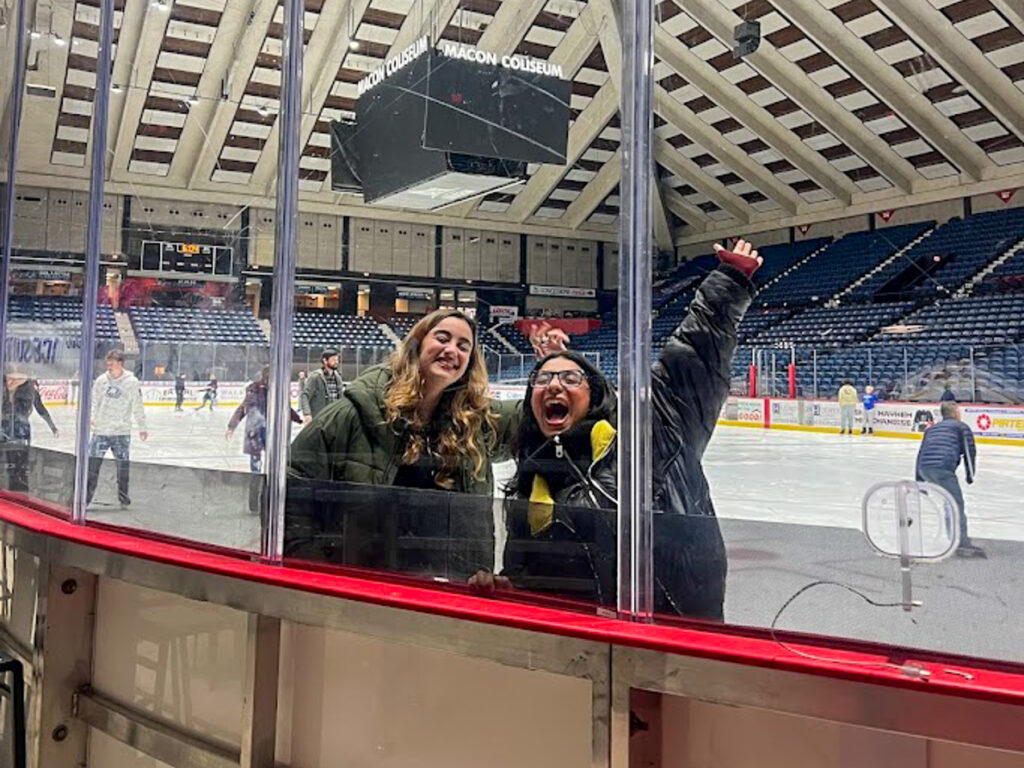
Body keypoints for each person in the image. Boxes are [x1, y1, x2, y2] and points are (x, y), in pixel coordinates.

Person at [476, 240, 762, 620]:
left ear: (595, 394)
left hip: (679, 629)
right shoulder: (531, 484)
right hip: (589, 646)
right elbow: (529, 574)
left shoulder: (652, 433)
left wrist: (728, 279)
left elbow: (693, 355)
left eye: (569, 378)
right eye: (542, 379)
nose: (553, 385)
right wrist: (509, 587)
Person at [290, 309, 523, 493]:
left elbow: (532, 413)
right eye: (443, 338)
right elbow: (294, 479)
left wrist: (552, 367)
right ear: (417, 344)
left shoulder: (475, 420)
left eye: (464, 347)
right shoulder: (356, 410)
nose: (452, 350)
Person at [227, 366, 302, 511]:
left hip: (272, 434)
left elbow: (286, 408)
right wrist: (232, 426)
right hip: (255, 434)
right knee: (256, 471)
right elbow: (243, 408)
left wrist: (299, 419)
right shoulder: (254, 389)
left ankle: (270, 500)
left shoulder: (278, 390)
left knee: (274, 468)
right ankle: (254, 503)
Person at [916, 402, 983, 558]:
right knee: (955, 503)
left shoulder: (931, 429)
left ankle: (953, 538)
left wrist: (919, 479)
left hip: (925, 469)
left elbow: (921, 453)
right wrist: (970, 474)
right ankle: (961, 543)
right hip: (942, 468)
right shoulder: (961, 427)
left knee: (948, 502)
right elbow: (969, 450)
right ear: (955, 413)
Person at [87, 349, 148, 508]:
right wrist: (93, 417)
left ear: (120, 364)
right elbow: (95, 401)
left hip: (121, 432)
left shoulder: (131, 382)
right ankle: (85, 498)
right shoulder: (101, 381)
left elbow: (137, 405)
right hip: (101, 431)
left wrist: (142, 426)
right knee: (92, 465)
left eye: (112, 364)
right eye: (107, 364)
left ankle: (123, 497)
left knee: (122, 467)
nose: (109, 367)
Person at [2, 369, 60, 492]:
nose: (11, 381)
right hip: (4, 430)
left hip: (21, 431)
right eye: (9, 379)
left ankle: (20, 491)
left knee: (21, 464)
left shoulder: (30, 391)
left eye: (16, 379)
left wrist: (52, 427)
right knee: (7, 462)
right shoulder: (3, 391)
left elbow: (41, 409)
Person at [300, 348, 344, 424]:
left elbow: (340, 397)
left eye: (337, 360)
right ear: (325, 361)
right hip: (319, 418)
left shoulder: (338, 377)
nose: (336, 362)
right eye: (333, 360)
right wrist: (307, 413)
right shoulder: (315, 377)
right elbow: (305, 395)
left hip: (333, 418)